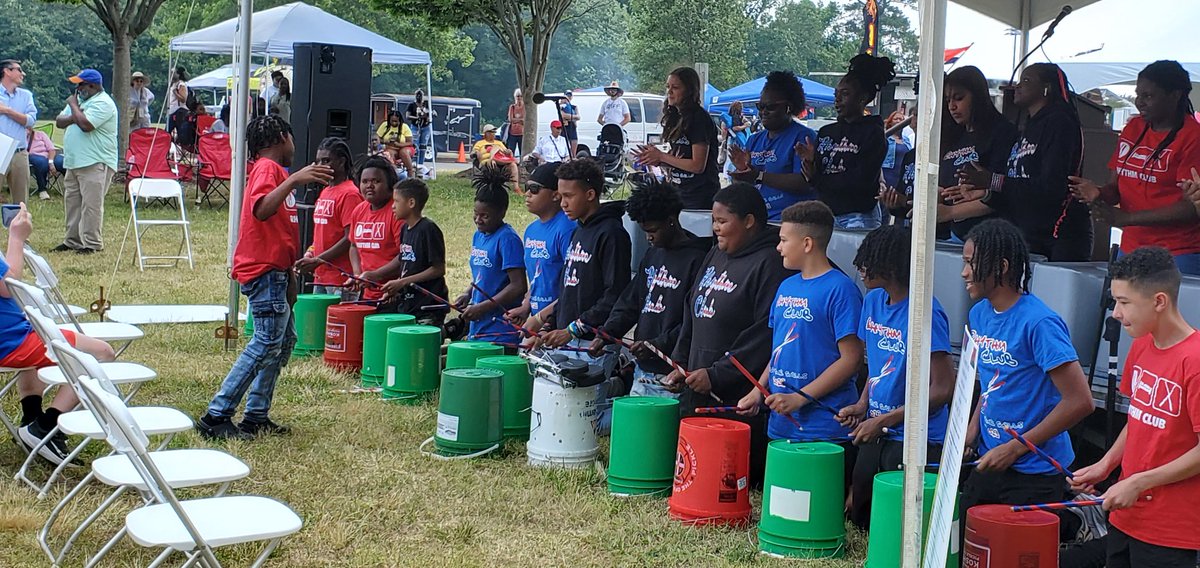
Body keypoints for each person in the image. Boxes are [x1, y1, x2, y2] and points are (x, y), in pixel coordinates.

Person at [197, 115, 334, 440]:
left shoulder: (274, 172)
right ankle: (216, 415)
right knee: (266, 341)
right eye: (292, 138)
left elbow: (280, 232)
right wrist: (294, 180)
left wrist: (289, 276)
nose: (294, 146)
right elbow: (261, 210)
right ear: (282, 137)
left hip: (276, 272)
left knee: (283, 341)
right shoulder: (267, 169)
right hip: (262, 270)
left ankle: (256, 415)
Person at [1069, 247, 1200, 567]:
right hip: (1126, 517)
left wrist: (1140, 482)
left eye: (1124, 302)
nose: (1116, 313)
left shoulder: (1194, 361)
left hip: (1169, 531)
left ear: (1159, 301)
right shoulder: (1141, 344)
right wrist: (1106, 464)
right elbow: (1140, 419)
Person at [958, 219, 1095, 513]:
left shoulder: (1040, 322)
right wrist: (972, 430)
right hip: (990, 458)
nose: (964, 273)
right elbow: (993, 382)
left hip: (1035, 471)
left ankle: (1077, 521)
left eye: (971, 263)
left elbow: (1080, 401)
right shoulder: (979, 314)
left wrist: (1015, 448)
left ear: (1002, 267)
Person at [667, 183, 793, 484]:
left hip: (736, 399)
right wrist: (680, 362)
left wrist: (718, 373)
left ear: (749, 221)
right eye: (713, 220)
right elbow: (692, 307)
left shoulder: (771, 264)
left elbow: (764, 333)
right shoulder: (716, 253)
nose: (715, 228)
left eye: (722, 221)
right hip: (698, 383)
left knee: (723, 479)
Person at [736, 200, 863, 495]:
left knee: (814, 510)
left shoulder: (841, 289)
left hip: (824, 429)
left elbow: (851, 359)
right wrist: (759, 389)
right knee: (783, 506)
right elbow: (779, 349)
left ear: (807, 243)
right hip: (782, 425)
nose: (778, 247)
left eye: (783, 240)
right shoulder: (786, 286)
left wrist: (800, 397)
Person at [838, 225, 956, 529]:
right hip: (877, 429)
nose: (860, 267)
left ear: (891, 265)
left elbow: (943, 388)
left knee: (898, 527)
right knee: (861, 517)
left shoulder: (926, 312)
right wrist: (863, 405)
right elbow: (878, 366)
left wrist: (886, 420)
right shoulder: (872, 301)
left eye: (869, 260)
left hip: (914, 438)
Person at [0, 203, 117, 463]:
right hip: (10, 342)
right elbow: (10, 286)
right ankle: (47, 425)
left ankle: (31, 419)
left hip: (16, 334)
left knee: (40, 344)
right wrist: (16, 238)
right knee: (102, 353)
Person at [948, 63, 1092, 261]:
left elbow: (1051, 187)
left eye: (1026, 80)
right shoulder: (1030, 125)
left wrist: (993, 180)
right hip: (1029, 233)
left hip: (1059, 236)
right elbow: (1018, 187)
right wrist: (986, 192)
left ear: (1046, 88)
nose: (1018, 86)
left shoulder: (1060, 123)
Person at [1068, 61, 1200, 275]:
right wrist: (1098, 193)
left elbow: (1191, 208)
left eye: (1148, 96)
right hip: (1131, 247)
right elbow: (1115, 187)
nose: (1139, 102)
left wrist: (1126, 218)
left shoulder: (1193, 137)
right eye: (1138, 95)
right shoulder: (1133, 127)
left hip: (1177, 252)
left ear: (1175, 95)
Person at [589, 177, 708, 397]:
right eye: (644, 230)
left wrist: (656, 345)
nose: (648, 237)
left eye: (653, 230)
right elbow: (631, 301)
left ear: (671, 221)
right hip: (643, 368)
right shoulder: (653, 254)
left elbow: (694, 321)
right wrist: (606, 333)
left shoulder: (698, 259)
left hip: (673, 371)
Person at [533, 158, 631, 363]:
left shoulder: (612, 234)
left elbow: (615, 293)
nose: (563, 203)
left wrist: (574, 329)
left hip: (592, 344)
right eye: (561, 196)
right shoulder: (578, 230)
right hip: (567, 339)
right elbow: (567, 291)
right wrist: (549, 324)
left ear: (590, 195)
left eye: (569, 196)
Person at [800, 54, 894, 230]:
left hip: (858, 214)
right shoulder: (826, 132)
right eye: (836, 94)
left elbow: (860, 180)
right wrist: (811, 162)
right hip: (826, 212)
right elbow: (813, 177)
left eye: (845, 94)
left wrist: (818, 178)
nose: (837, 99)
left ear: (862, 97)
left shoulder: (873, 133)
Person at [933, 66, 1021, 241]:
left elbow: (1003, 193)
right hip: (954, 234)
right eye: (948, 100)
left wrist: (950, 212)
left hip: (990, 236)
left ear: (978, 96)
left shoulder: (1002, 133)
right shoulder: (954, 135)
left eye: (959, 98)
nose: (952, 106)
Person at [729, 70, 818, 222]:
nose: (763, 112)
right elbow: (744, 185)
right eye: (760, 106)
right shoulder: (754, 140)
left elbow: (804, 182)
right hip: (759, 220)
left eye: (770, 107)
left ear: (788, 107)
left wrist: (759, 176)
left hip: (791, 222)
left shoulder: (804, 137)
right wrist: (742, 172)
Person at [454, 165, 527, 345]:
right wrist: (468, 293)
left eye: (485, 216)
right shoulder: (478, 236)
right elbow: (482, 276)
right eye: (475, 214)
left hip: (500, 330)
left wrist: (483, 307)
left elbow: (518, 286)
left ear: (501, 213)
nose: (478, 220)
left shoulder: (508, 239)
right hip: (479, 326)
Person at [633, 67, 720, 210]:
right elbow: (679, 160)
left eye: (675, 87)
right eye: (668, 87)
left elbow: (698, 165)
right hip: (678, 192)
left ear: (689, 90)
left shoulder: (699, 118)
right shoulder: (676, 117)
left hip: (699, 195)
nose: (669, 92)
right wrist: (656, 160)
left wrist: (661, 156)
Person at [52, 69, 118, 255]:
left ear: (93, 85)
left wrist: (73, 106)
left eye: (81, 85)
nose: (78, 88)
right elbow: (59, 122)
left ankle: (92, 243)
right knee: (72, 203)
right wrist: (76, 114)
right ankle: (72, 240)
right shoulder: (81, 101)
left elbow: (86, 125)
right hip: (74, 161)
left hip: (95, 161)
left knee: (91, 205)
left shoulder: (103, 103)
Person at [293, 137, 363, 299]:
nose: (320, 166)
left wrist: (319, 259)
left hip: (341, 278)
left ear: (341, 162)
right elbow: (322, 234)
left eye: (326, 161)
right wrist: (310, 254)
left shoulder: (350, 194)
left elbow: (350, 238)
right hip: (321, 276)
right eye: (318, 161)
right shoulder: (325, 191)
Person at [374, 179, 449, 327]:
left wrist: (403, 282)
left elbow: (438, 269)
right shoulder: (404, 229)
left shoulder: (428, 229)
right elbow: (405, 262)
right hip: (409, 303)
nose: (392, 206)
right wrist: (395, 288)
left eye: (396, 201)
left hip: (428, 305)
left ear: (411, 203)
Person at [508, 162, 574, 328]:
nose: (527, 194)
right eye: (527, 187)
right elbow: (537, 278)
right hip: (537, 319)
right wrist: (526, 307)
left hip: (559, 323)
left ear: (556, 195)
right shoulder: (531, 230)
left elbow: (573, 286)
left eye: (534, 189)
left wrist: (542, 321)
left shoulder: (567, 230)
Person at [348, 156, 404, 306]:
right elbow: (353, 246)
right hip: (367, 293)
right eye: (365, 181)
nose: (369, 186)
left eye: (376, 181)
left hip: (393, 294)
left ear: (390, 184)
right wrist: (358, 275)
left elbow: (405, 255)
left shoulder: (397, 212)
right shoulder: (359, 210)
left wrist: (375, 275)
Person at [0, 59, 36, 204]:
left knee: (21, 202)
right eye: (19, 70)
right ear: (7, 71)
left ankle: (19, 219)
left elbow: (31, 121)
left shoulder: (26, 95)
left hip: (19, 153)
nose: (23, 74)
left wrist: (7, 111)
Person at [27, 127, 63, 201]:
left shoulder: (41, 134)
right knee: (41, 163)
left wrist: (51, 162)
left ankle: (72, 188)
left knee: (62, 162)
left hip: (49, 156)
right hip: (33, 156)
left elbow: (51, 149)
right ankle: (42, 190)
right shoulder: (21, 137)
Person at [377, 111, 416, 179]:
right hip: (390, 148)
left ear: (400, 120)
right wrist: (385, 141)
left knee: (403, 152)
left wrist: (399, 144)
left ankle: (410, 173)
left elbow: (410, 143)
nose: (394, 123)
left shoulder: (404, 127)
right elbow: (377, 138)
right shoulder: (384, 125)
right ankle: (394, 174)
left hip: (405, 148)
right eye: (392, 121)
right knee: (389, 153)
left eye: (396, 121)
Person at [880, 110, 911, 195]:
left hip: (902, 175)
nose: (898, 121)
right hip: (888, 174)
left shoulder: (906, 140)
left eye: (901, 119)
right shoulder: (886, 138)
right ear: (890, 122)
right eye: (896, 119)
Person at [405, 90, 434, 172]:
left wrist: (428, 114)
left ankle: (421, 164)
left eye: (420, 95)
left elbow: (433, 113)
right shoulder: (411, 105)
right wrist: (417, 117)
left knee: (423, 146)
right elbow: (407, 116)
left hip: (426, 126)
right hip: (415, 126)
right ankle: (414, 163)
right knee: (415, 145)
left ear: (423, 96)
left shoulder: (427, 104)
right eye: (417, 95)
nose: (419, 97)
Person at [167, 66, 189, 138]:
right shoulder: (173, 84)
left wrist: (175, 93)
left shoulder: (181, 84)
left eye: (173, 73)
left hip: (179, 111)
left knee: (179, 132)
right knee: (168, 131)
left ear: (178, 74)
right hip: (172, 111)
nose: (171, 75)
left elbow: (183, 99)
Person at [559, 91, 581, 157]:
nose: (568, 97)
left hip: (572, 127)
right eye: (567, 96)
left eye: (570, 96)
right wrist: (573, 117)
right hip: (564, 127)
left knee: (574, 144)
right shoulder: (561, 106)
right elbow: (563, 116)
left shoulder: (574, 107)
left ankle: (573, 157)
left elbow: (578, 117)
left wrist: (569, 117)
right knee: (563, 146)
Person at [506, 89, 525, 158]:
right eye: (517, 96)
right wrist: (520, 120)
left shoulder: (525, 107)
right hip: (512, 133)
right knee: (510, 152)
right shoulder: (512, 107)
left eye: (521, 96)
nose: (519, 98)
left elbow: (525, 120)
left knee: (522, 152)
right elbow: (510, 119)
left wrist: (516, 120)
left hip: (522, 134)